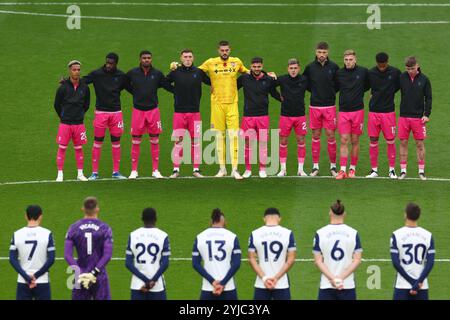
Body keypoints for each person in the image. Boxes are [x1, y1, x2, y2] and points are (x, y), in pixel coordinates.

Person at [197, 40, 249, 179]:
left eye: (226, 50)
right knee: (219, 136)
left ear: (230, 50)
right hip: (217, 105)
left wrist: (265, 74)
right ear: (218, 50)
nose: (224, 52)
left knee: (233, 136)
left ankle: (235, 169)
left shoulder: (236, 62)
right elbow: (196, 72)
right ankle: (222, 169)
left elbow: (247, 72)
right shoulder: (210, 62)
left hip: (232, 104)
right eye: (222, 50)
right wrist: (209, 82)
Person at [126, 50, 173, 179]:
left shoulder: (157, 74)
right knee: (135, 141)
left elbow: (166, 85)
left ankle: (155, 170)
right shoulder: (132, 73)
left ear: (151, 59)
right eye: (144, 58)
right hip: (138, 111)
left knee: (155, 140)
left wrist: (179, 89)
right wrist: (135, 92)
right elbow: (124, 83)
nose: (146, 60)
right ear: (140, 59)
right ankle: (134, 171)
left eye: (148, 58)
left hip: (153, 111)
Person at [166, 49, 211, 178]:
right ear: (181, 58)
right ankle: (176, 169)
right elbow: (164, 82)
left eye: (190, 57)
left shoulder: (199, 72)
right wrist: (175, 91)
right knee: (178, 141)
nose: (188, 59)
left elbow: (211, 81)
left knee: (195, 141)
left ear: (193, 58)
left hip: (195, 112)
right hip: (179, 113)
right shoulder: (175, 72)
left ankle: (196, 169)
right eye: (185, 57)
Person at [83, 53, 128, 180]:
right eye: (107, 62)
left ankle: (116, 172)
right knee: (97, 142)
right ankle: (94, 173)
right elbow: (83, 81)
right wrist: (67, 81)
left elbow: (131, 88)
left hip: (116, 113)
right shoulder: (97, 74)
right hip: (101, 113)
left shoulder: (121, 76)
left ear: (116, 64)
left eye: (111, 63)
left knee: (116, 142)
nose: (108, 65)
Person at [237, 57, 281, 178]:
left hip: (263, 116)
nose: (256, 69)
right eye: (254, 67)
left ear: (262, 66)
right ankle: (248, 169)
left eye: (259, 67)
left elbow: (273, 93)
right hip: (248, 116)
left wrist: (283, 100)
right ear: (251, 66)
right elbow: (233, 88)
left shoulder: (267, 79)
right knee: (247, 143)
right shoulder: (244, 78)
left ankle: (262, 169)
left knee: (263, 143)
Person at [64, 197, 113, 300]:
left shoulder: (74, 228)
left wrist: (80, 273)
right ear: (97, 209)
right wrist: (94, 273)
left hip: (80, 276)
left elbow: (67, 255)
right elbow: (107, 254)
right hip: (99, 275)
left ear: (83, 209)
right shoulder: (104, 228)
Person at [313, 200, 362, 300]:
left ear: (330, 212)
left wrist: (333, 279)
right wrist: (340, 279)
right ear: (344, 214)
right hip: (347, 285)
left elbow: (318, 261)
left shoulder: (320, 233)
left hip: (326, 285)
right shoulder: (354, 233)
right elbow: (357, 260)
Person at [303, 42, 339, 177]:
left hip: (330, 106)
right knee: (316, 136)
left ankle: (333, 166)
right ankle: (315, 166)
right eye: (319, 52)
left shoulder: (334, 67)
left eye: (324, 52)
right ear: (316, 52)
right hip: (315, 106)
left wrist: (329, 93)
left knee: (331, 135)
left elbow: (338, 85)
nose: (322, 55)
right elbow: (305, 84)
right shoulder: (310, 68)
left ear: (327, 53)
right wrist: (316, 92)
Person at [334, 50, 370, 179]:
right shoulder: (339, 73)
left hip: (358, 111)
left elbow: (368, 86)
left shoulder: (363, 72)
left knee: (355, 140)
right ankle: (342, 170)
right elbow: (335, 87)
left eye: (350, 59)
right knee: (344, 140)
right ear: (344, 61)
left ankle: (352, 169)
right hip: (343, 111)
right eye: (346, 60)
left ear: (355, 60)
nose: (348, 62)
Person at [192, 208, 241, 300]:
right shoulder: (232, 237)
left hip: (208, 288)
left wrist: (213, 282)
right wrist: (222, 283)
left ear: (211, 221)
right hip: (228, 288)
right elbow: (237, 264)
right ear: (224, 221)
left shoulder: (200, 237)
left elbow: (195, 264)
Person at [366, 52, 401, 179]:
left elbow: (399, 86)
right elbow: (366, 87)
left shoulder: (395, 72)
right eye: (379, 65)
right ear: (376, 63)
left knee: (390, 140)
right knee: (373, 140)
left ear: (387, 61)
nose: (381, 67)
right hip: (373, 112)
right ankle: (374, 170)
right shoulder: (370, 73)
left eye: (384, 65)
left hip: (388, 113)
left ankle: (392, 170)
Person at [248, 207, 296, 300]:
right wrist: (276, 278)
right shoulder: (288, 233)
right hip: (281, 283)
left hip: (261, 283)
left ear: (264, 218)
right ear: (279, 218)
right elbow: (291, 260)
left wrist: (265, 278)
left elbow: (251, 259)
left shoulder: (254, 234)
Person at [54, 60, 90, 182]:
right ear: (70, 71)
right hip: (65, 123)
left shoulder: (85, 88)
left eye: (78, 70)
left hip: (79, 123)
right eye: (74, 69)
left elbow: (86, 105)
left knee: (79, 148)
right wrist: (63, 116)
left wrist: (79, 115)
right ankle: (60, 174)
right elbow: (56, 105)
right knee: (62, 148)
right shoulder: (63, 88)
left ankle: (80, 174)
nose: (77, 72)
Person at [9, 205, 55, 300]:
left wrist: (27, 277)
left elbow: (12, 259)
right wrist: (36, 276)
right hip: (42, 281)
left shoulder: (16, 234)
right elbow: (51, 259)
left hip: (23, 281)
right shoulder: (47, 234)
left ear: (26, 216)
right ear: (40, 216)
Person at [391, 203, 435, 300]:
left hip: (402, 285)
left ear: (405, 215)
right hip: (422, 287)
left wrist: (412, 282)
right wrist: (418, 283)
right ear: (419, 216)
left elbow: (395, 263)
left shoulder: (396, 235)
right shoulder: (428, 235)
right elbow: (430, 263)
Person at [398, 56, 432, 180]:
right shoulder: (402, 77)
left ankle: (421, 171)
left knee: (419, 144)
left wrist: (427, 114)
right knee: (403, 142)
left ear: (417, 66)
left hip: (418, 118)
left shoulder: (424, 80)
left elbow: (428, 98)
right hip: (404, 117)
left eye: (412, 68)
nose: (410, 71)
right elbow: (390, 90)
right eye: (408, 69)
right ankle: (403, 171)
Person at [125, 208, 170, 300]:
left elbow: (128, 264)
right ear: (155, 219)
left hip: (137, 285)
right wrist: (152, 281)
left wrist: (146, 281)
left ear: (142, 219)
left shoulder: (133, 235)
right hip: (157, 286)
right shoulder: (163, 236)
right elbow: (165, 264)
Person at [274, 58, 309, 177]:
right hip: (285, 116)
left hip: (300, 116)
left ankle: (301, 170)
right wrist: (278, 97)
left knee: (301, 141)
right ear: (287, 69)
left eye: (295, 68)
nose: (293, 71)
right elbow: (269, 86)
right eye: (291, 68)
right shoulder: (282, 79)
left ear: (299, 69)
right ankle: (283, 170)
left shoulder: (304, 79)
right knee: (283, 141)